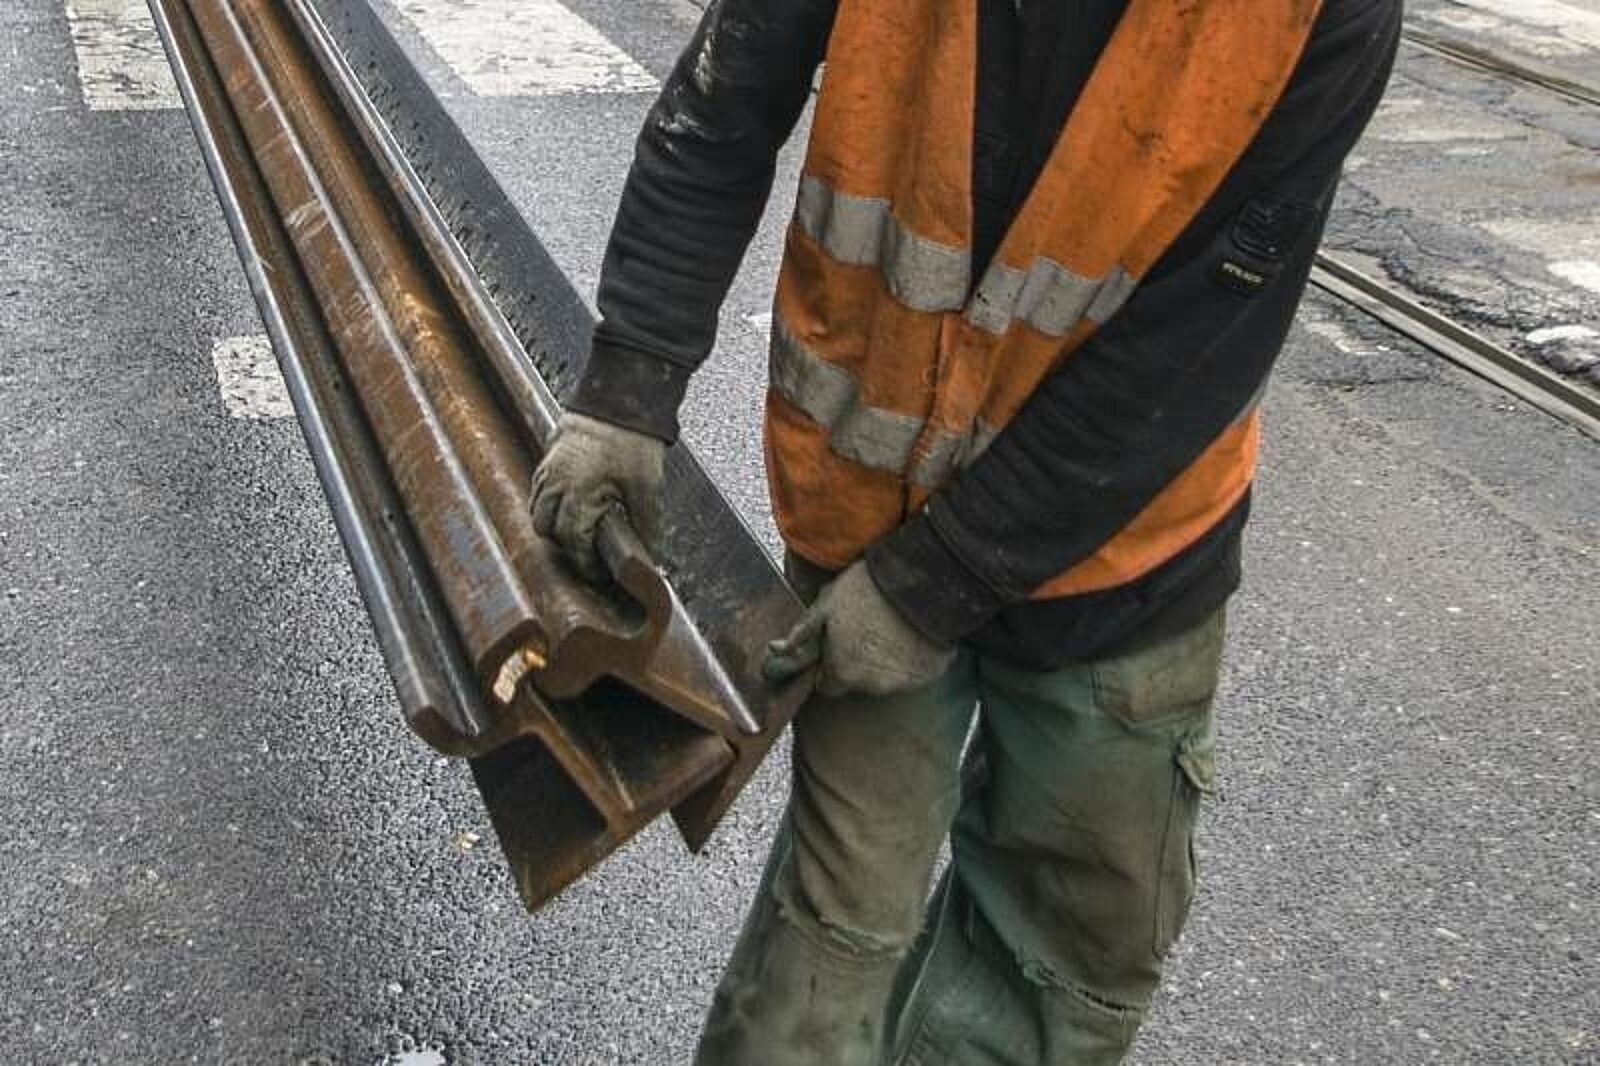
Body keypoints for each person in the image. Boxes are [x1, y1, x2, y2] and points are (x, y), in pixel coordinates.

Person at [530, 1, 1400, 1062]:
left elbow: (1192, 341)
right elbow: (724, 107)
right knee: (837, 926)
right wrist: (627, 391)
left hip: (1121, 556)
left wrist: (931, 585)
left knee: (1060, 954)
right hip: (870, 502)